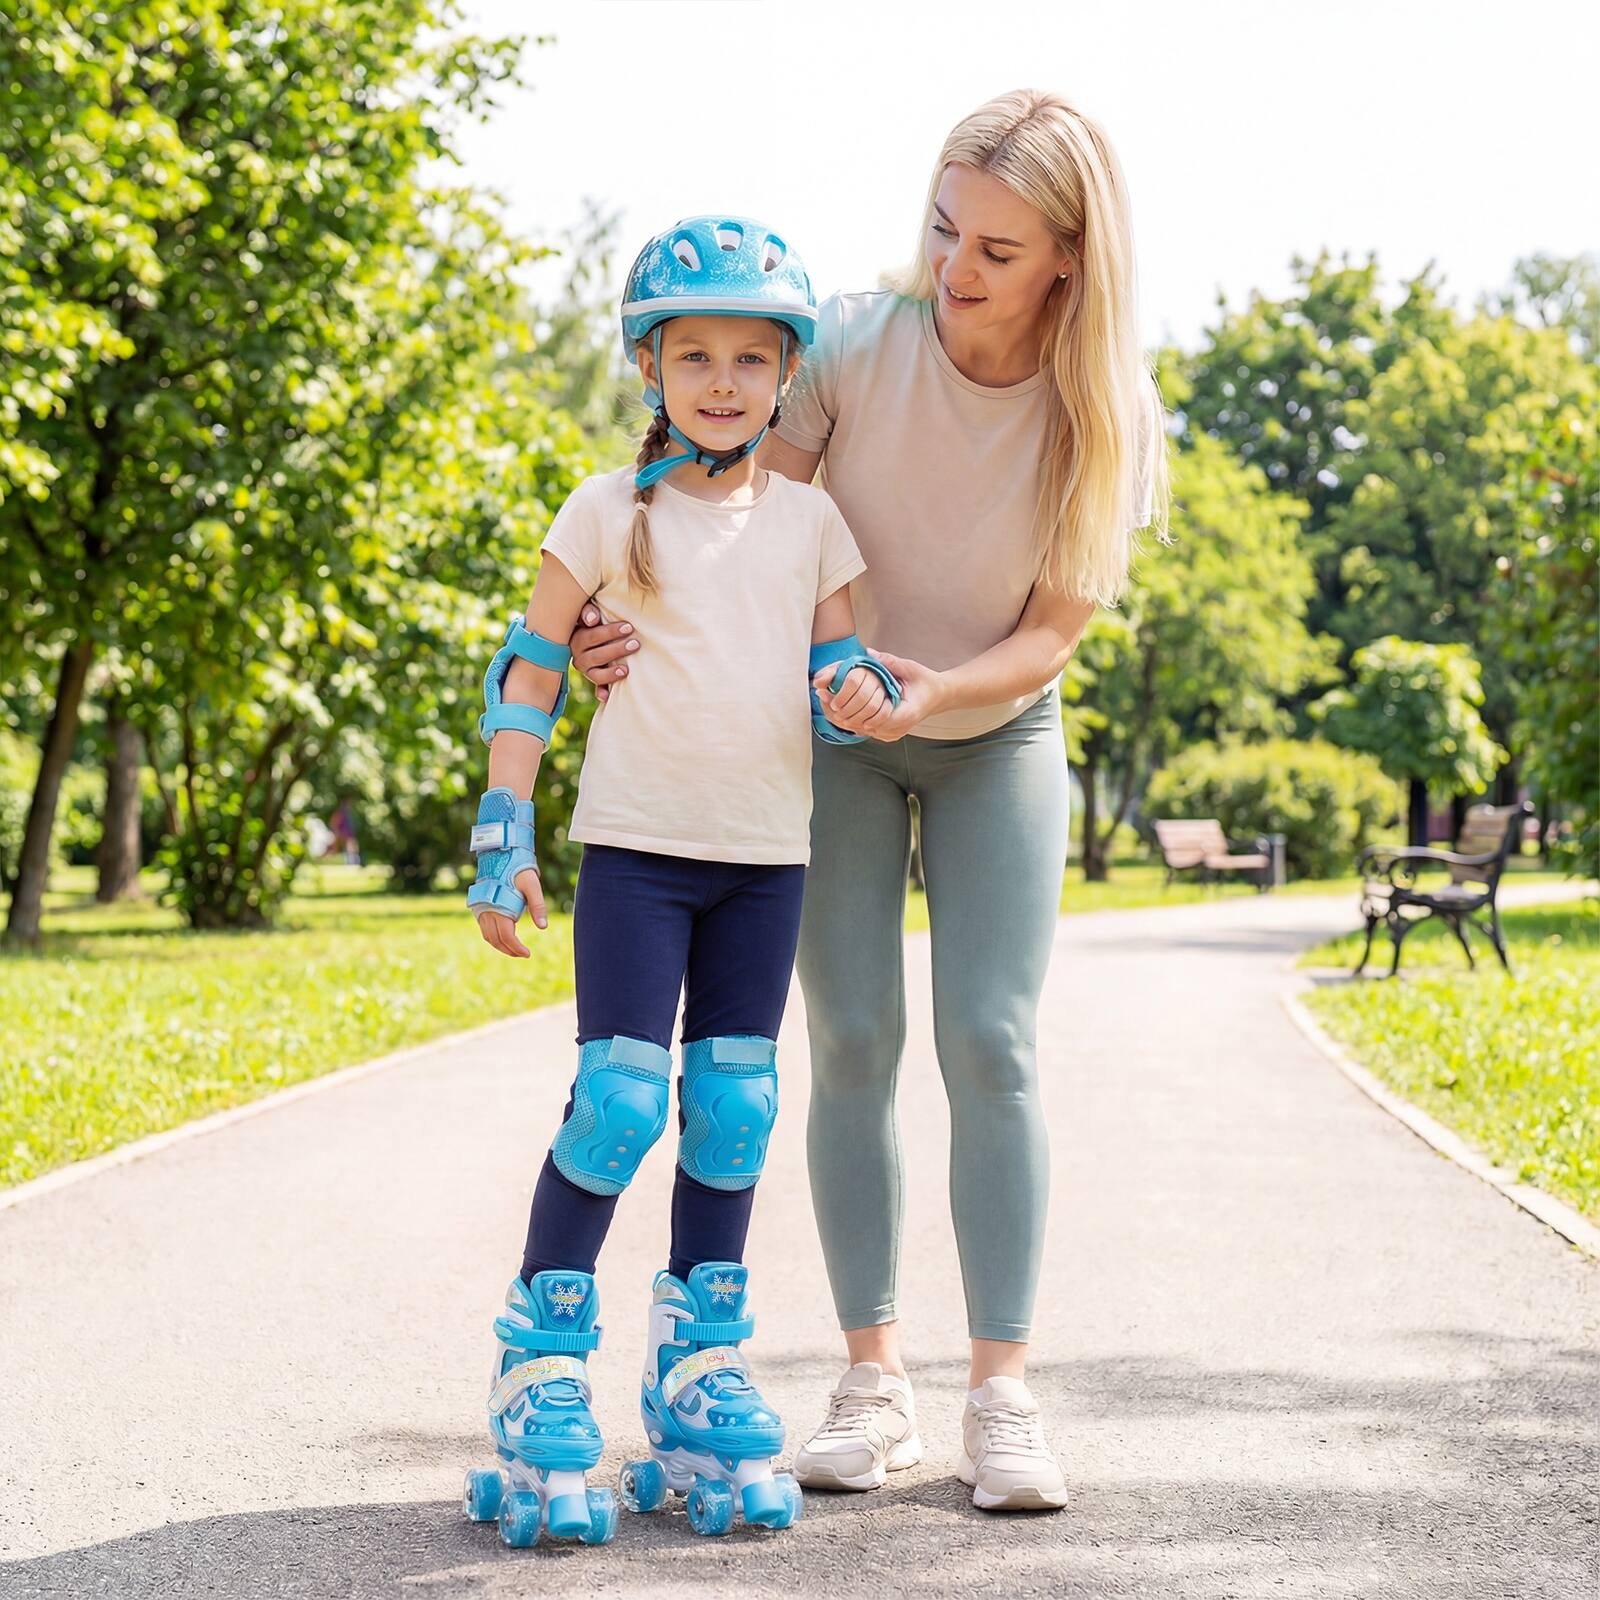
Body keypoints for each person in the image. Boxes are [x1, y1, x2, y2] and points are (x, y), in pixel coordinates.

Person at [570, 91, 1168, 1513]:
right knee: (846, 1037)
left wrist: (929, 693)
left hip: (994, 736)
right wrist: (613, 615)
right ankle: (872, 1378)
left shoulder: (1111, 412)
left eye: (1000, 251)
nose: (958, 269)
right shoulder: (850, 342)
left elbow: (1046, 639)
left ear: (1071, 263)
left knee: (992, 1042)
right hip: (829, 734)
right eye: (949, 228)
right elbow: (718, 522)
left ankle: (1004, 1395)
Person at [459, 216, 898, 1547]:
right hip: (642, 853)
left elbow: (837, 672)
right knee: (618, 1100)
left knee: (735, 1109)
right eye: (693, 355)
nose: (722, 382)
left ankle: (698, 1362)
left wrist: (860, 694)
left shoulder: (817, 522)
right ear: (651, 367)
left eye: (750, 360)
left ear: (784, 377)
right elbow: (530, 667)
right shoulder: (608, 508)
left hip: (765, 859)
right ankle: (539, 1361)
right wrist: (502, 827)